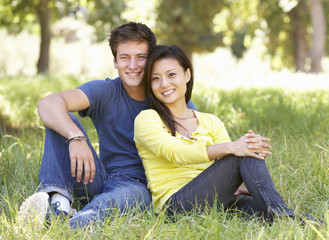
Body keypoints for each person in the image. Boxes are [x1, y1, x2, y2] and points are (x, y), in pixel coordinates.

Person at [18, 22, 197, 229]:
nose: (133, 65)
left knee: (111, 202)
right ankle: (59, 203)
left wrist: (224, 182)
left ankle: (66, 227)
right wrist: (76, 138)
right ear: (115, 61)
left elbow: (199, 141)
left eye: (141, 57)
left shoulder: (168, 94)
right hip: (98, 176)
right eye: (124, 58)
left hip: (138, 186)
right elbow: (47, 104)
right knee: (62, 119)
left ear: (151, 60)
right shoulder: (105, 91)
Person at [134, 45, 314, 223]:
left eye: (171, 74)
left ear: (187, 75)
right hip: (176, 206)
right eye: (155, 78)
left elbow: (224, 165)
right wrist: (232, 147)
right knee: (241, 152)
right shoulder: (147, 120)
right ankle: (282, 215)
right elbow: (176, 153)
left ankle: (298, 222)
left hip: (217, 201)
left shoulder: (211, 121)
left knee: (264, 210)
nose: (164, 84)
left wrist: (237, 184)